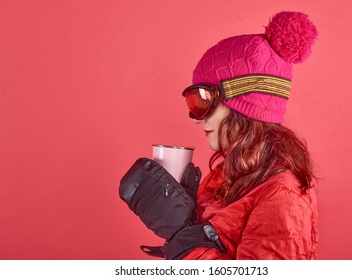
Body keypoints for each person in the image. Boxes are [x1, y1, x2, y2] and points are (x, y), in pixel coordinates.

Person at [119, 11, 318, 260]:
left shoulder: (282, 195)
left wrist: (182, 234)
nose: (197, 118)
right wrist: (187, 217)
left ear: (242, 101)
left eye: (202, 101)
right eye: (192, 103)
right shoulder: (225, 175)